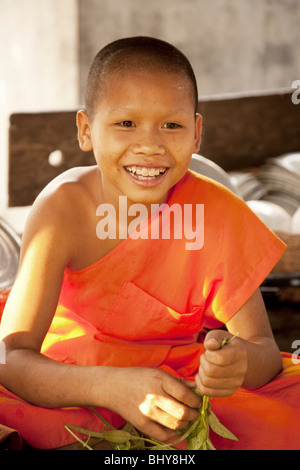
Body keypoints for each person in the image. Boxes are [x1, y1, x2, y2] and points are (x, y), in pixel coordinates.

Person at [0, 36, 299, 450]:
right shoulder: (64, 210)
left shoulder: (215, 212)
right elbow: (11, 358)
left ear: (196, 135)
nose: (149, 146)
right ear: (86, 131)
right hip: (72, 380)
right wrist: (111, 389)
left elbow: (265, 351)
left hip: (178, 386)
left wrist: (236, 364)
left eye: (171, 125)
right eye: (126, 123)